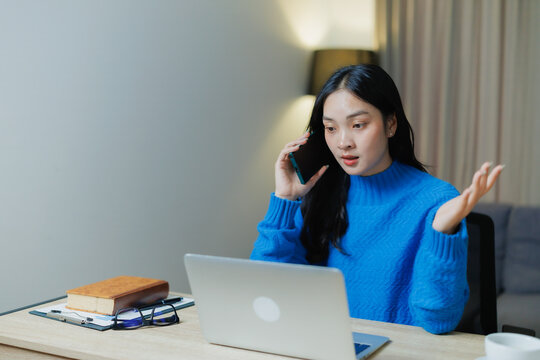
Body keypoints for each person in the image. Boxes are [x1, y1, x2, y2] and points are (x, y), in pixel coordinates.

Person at [250, 64, 503, 334]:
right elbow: (267, 290)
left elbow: (438, 321)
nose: (343, 142)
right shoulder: (321, 192)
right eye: (331, 128)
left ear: (390, 124)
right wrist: (284, 200)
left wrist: (442, 233)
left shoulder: (436, 200)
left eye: (358, 125)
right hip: (327, 346)